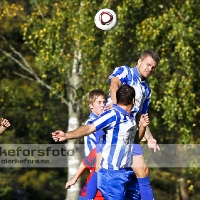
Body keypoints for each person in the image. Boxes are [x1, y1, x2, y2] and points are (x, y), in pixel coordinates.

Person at [52, 85, 150, 200]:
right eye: (99, 102)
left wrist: (142, 127)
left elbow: (134, 141)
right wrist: (67, 135)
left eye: (104, 101)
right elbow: (89, 128)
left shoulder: (130, 119)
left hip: (123, 173)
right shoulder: (111, 115)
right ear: (133, 100)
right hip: (110, 174)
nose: (103, 104)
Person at [105, 49, 160, 200]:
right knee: (104, 174)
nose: (149, 69)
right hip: (112, 128)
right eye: (148, 64)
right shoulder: (125, 72)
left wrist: (149, 138)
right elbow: (114, 85)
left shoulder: (146, 90)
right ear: (139, 61)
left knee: (141, 171)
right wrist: (116, 105)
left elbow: (141, 116)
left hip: (129, 133)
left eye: (153, 67)